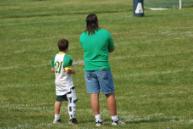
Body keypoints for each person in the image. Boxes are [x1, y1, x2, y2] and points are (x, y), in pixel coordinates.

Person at [79, 13, 123, 126]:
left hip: (88, 68)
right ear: (97, 22)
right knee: (109, 93)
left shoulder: (82, 36)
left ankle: (98, 120)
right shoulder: (105, 33)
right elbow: (111, 48)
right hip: (102, 67)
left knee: (93, 94)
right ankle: (114, 119)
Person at [51, 38, 78, 125]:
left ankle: (56, 118)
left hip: (58, 81)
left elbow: (52, 69)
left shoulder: (54, 57)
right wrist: (73, 71)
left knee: (58, 100)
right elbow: (67, 70)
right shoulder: (67, 57)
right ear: (67, 47)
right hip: (66, 82)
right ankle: (72, 118)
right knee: (72, 99)